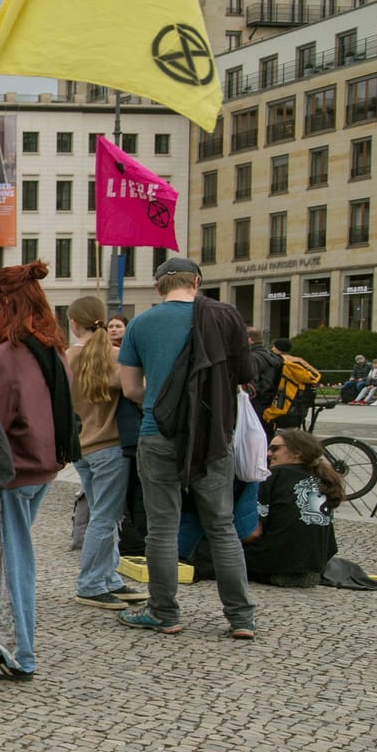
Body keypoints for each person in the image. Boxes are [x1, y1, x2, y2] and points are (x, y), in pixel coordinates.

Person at [117, 256, 258, 638]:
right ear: (196, 281)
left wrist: (166, 404)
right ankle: (241, 618)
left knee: (162, 527)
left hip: (157, 431)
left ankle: (164, 612)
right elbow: (246, 375)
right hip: (213, 435)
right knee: (222, 526)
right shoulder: (226, 317)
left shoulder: (141, 324)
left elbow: (130, 388)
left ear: (159, 286)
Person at [0, 263, 71, 682]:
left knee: (5, 561)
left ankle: (16, 652)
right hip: (37, 468)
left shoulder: (4, 358)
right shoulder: (51, 349)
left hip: (9, 473)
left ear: (5, 303)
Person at [66, 295, 146, 610]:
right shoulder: (115, 356)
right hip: (108, 445)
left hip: (79, 447)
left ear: (73, 323)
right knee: (106, 517)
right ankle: (90, 584)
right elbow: (136, 391)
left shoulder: (65, 357)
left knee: (103, 516)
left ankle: (108, 579)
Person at [244, 429, 344, 585]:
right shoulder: (322, 478)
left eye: (275, 448)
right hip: (315, 563)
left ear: (297, 453)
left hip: (277, 561)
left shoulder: (273, 475)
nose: (268, 453)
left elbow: (254, 532)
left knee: (214, 549)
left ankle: (278, 572)